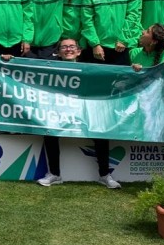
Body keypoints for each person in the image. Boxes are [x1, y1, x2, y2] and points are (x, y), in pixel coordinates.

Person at [36, 38, 122, 189]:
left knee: (101, 130)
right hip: (60, 113)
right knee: (49, 129)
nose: (68, 49)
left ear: (79, 51)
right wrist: (8, 59)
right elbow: (27, 65)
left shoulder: (89, 69)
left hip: (84, 113)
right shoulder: (50, 68)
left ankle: (104, 175)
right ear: (58, 52)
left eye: (71, 47)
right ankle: (54, 174)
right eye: (64, 47)